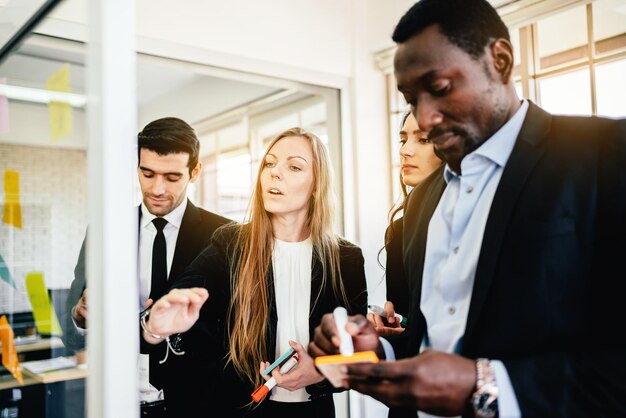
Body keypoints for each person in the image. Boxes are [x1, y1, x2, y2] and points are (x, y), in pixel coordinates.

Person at [309, 0, 626, 417]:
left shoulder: (607, 157)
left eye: (438, 88)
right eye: (410, 99)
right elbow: (436, 338)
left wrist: (486, 387)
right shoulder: (422, 202)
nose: (424, 118)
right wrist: (381, 348)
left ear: (500, 60)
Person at [141, 127, 368, 417]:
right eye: (270, 164)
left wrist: (321, 373)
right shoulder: (230, 244)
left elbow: (358, 356)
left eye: (294, 167)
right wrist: (155, 327)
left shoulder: (346, 258)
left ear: (316, 185)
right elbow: (177, 298)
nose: (275, 174)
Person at [62, 117, 232, 418]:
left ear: (195, 172)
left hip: (200, 403)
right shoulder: (105, 230)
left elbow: (236, 331)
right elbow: (71, 332)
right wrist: (80, 316)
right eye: (147, 173)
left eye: (171, 177)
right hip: (117, 402)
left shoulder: (225, 235)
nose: (156, 188)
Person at [373, 111, 442, 335]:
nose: (404, 151)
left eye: (423, 140)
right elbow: (404, 319)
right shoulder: (398, 231)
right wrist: (397, 325)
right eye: (403, 140)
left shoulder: (477, 219)